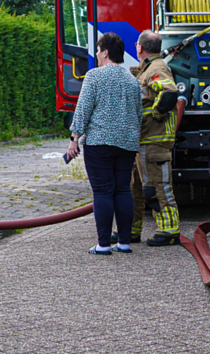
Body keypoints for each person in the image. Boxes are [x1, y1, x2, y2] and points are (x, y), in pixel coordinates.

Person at [66, 33, 143, 255]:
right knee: (122, 190)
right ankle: (124, 242)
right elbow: (138, 115)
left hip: (99, 142)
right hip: (126, 143)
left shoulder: (94, 76)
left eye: (98, 51)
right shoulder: (132, 80)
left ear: (106, 52)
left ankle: (102, 245)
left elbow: (83, 110)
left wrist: (74, 139)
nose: (97, 54)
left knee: (102, 192)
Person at [129, 30, 181, 246]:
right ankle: (130, 229)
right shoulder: (147, 69)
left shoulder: (157, 68)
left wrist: (156, 115)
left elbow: (169, 93)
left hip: (154, 141)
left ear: (139, 47)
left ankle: (169, 230)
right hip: (141, 141)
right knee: (135, 189)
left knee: (157, 187)